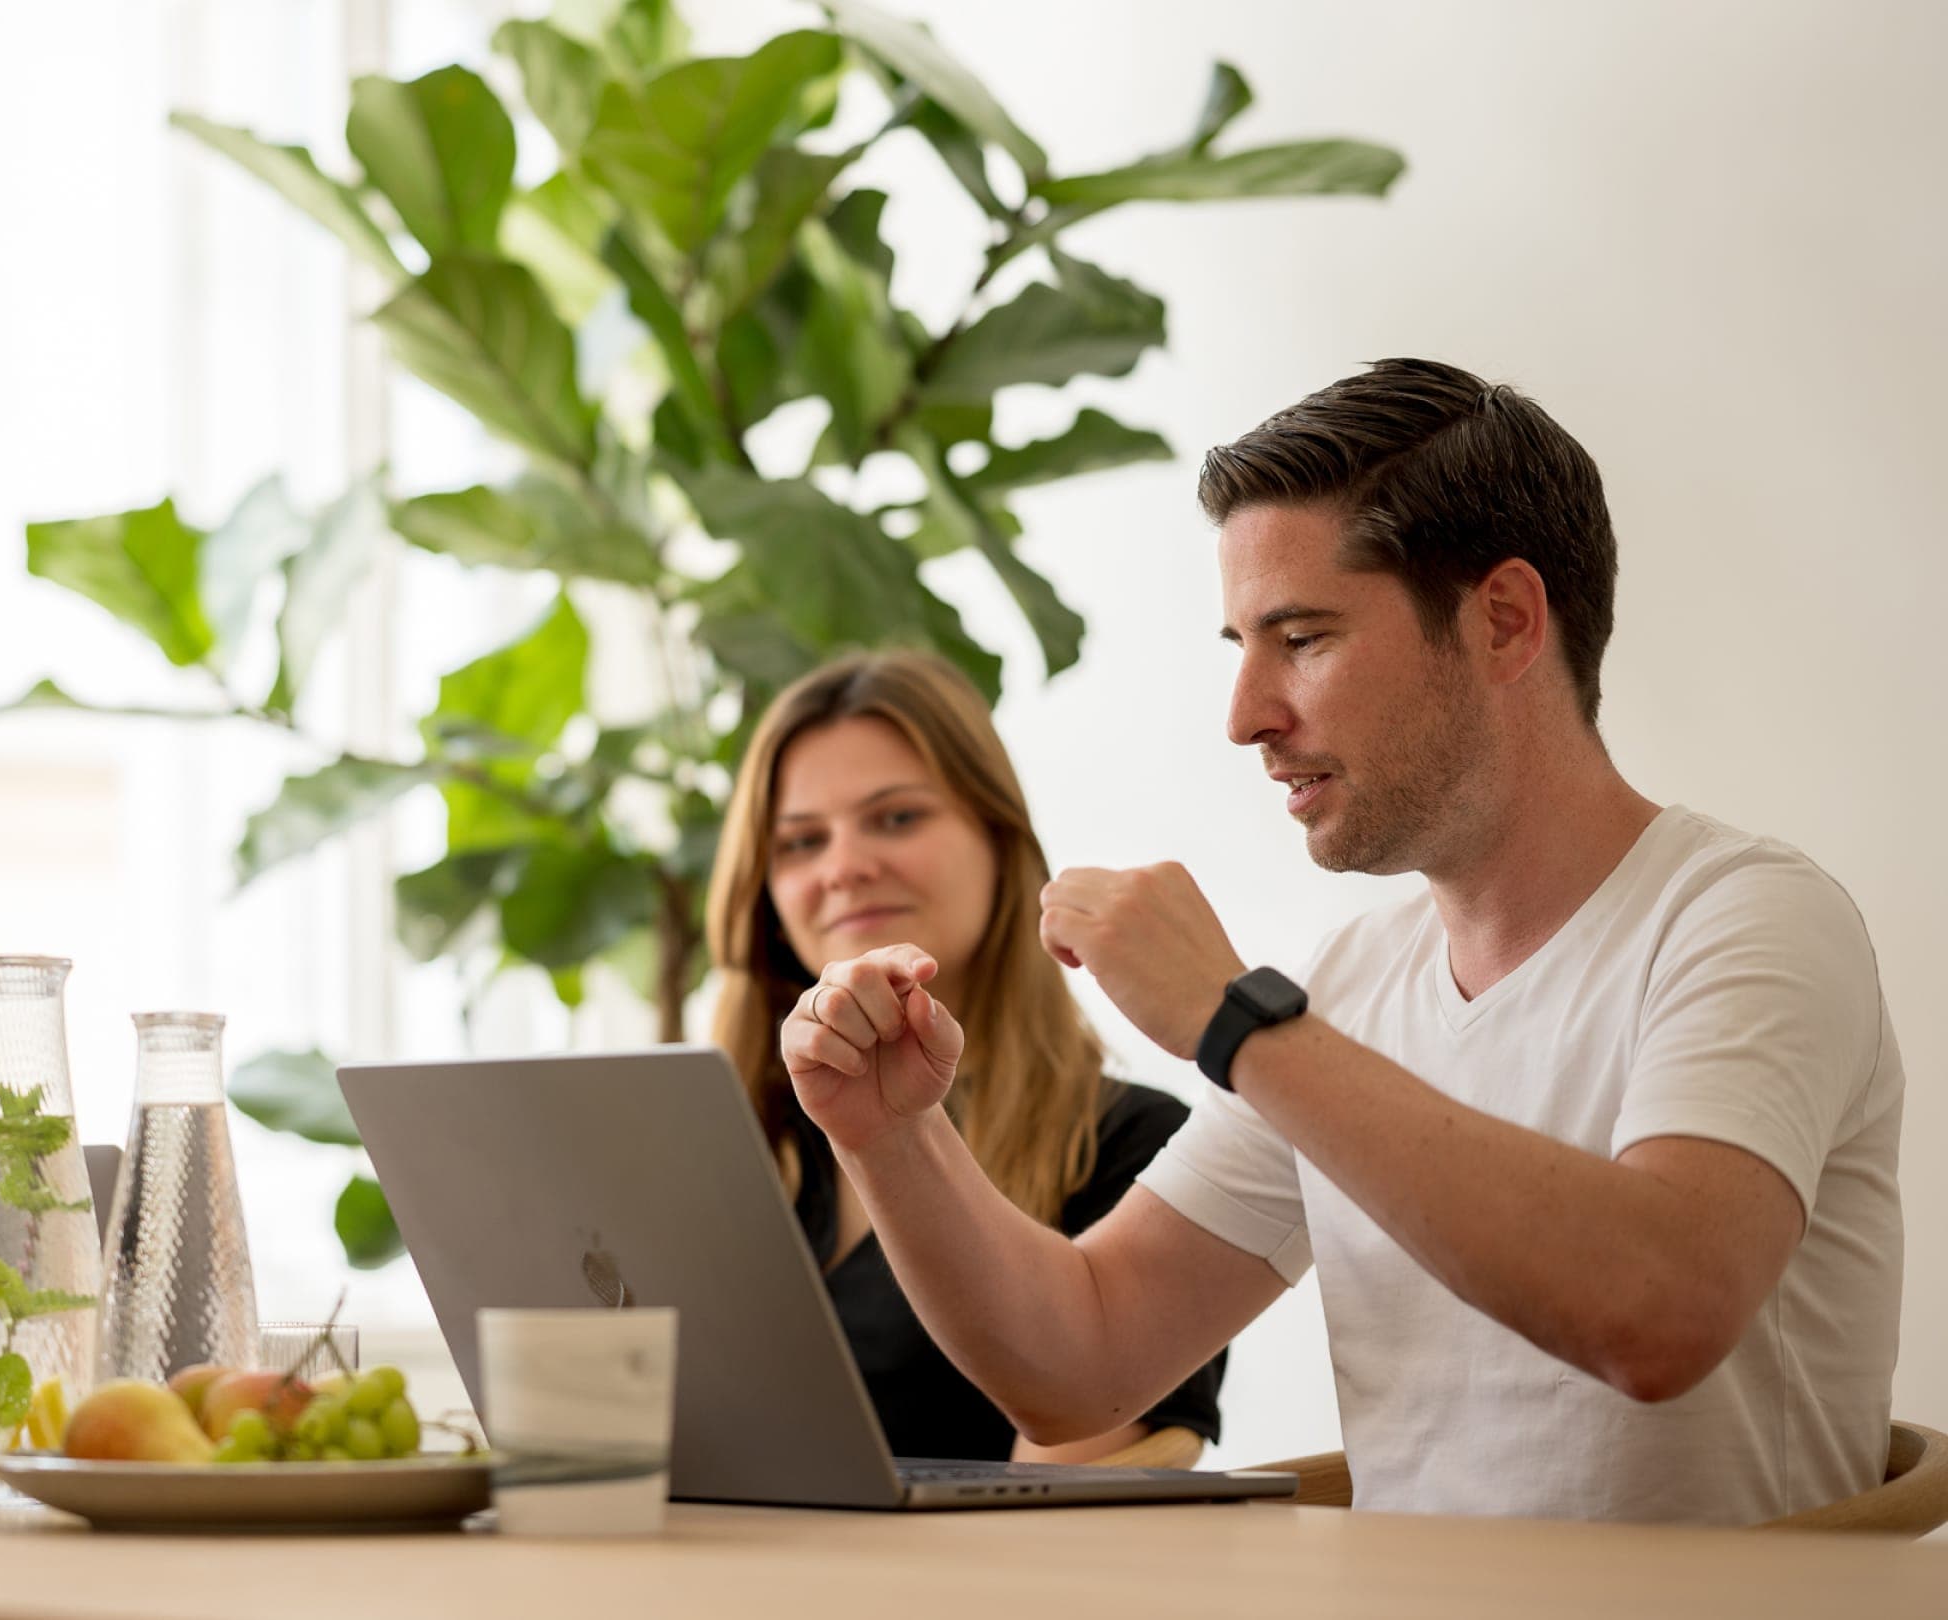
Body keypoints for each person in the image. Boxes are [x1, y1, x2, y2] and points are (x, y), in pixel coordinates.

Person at [783, 359, 1905, 1524]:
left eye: (1302, 638)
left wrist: (1237, 1024)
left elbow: (1658, 1311)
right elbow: (1081, 1365)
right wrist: (892, 1132)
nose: (1246, 717)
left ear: (1505, 621)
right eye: (1240, 648)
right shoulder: (1352, 990)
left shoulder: (1748, 920)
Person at [705, 650, 1225, 1464]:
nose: (843, 867)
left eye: (897, 818)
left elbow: (1056, 1526)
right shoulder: (721, 1141)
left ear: (998, 839)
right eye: (801, 842)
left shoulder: (1131, 1146)